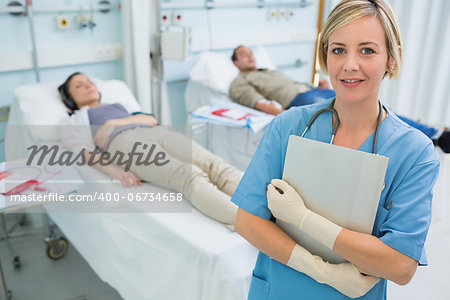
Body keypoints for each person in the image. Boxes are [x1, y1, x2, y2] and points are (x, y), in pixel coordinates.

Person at [231, 0, 440, 299]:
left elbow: (400, 265)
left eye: (367, 50)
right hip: (278, 289)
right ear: (326, 55)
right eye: (338, 49)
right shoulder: (288, 126)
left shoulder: (414, 153)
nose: (349, 64)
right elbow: (247, 221)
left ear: (392, 59)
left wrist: (302, 218)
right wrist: (323, 271)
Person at [58, 72, 241, 229]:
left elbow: (151, 119)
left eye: (89, 81)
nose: (88, 85)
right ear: (70, 98)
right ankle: (247, 223)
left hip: (157, 132)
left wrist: (112, 123)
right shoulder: (76, 119)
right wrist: (113, 170)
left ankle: (266, 206)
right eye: (79, 86)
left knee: (215, 165)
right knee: (188, 175)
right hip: (123, 142)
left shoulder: (119, 105)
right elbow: (82, 151)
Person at [229, 46, 450, 153]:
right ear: (236, 63)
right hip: (300, 100)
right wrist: (287, 119)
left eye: (250, 52)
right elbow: (260, 104)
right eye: (243, 54)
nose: (250, 55)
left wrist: (321, 87)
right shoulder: (240, 82)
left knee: (377, 108)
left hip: (311, 91)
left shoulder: (268, 70)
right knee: (365, 112)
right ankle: (431, 136)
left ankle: (432, 134)